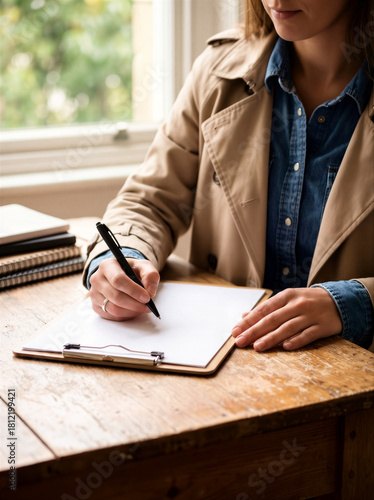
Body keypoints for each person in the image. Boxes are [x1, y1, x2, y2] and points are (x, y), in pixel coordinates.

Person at [83, 0, 374, 351]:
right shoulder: (217, 70)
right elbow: (151, 201)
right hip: (224, 370)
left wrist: (351, 304)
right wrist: (120, 259)